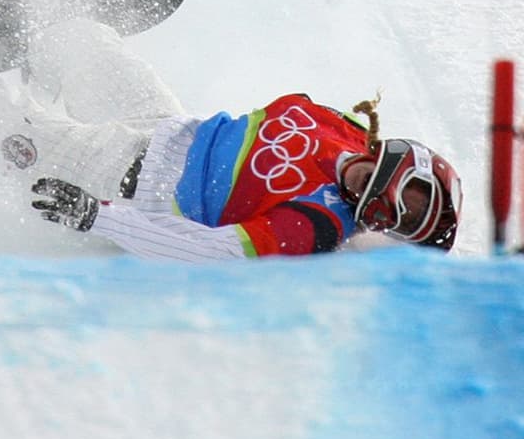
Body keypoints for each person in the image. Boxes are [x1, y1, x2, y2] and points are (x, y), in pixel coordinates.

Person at [27, 24, 463, 261]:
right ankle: (12, 43)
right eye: (415, 201)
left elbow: (210, 252)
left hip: (125, 183)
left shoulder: (316, 223)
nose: (397, 213)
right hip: (166, 127)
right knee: (77, 35)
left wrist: (98, 218)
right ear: (410, 162)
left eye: (407, 224)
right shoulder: (345, 128)